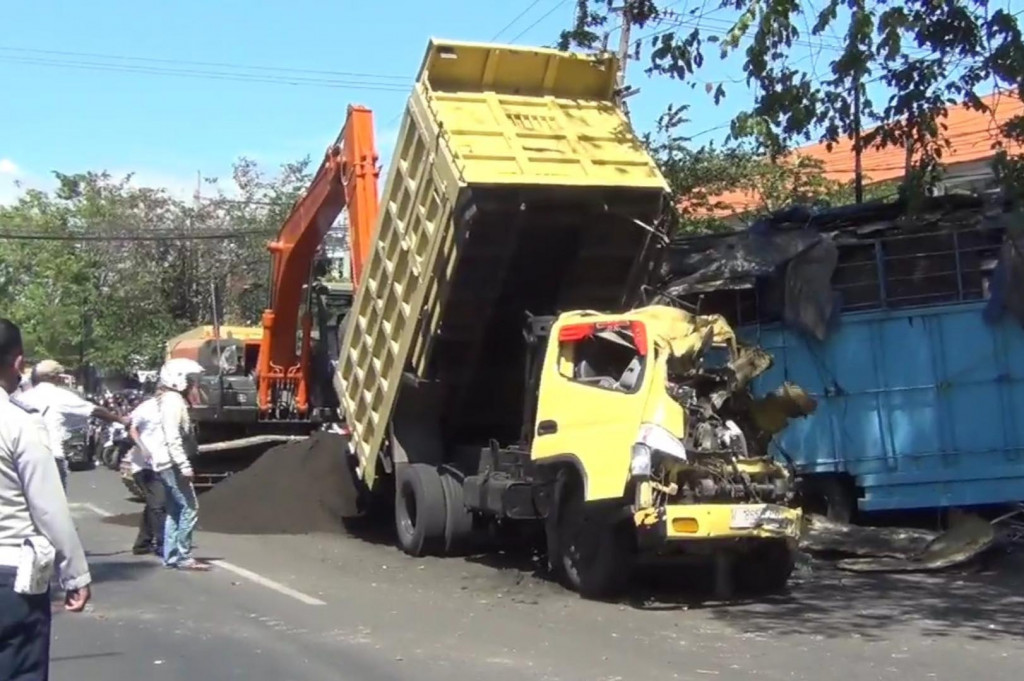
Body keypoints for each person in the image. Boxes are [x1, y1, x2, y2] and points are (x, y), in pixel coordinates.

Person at [0, 318, 92, 680]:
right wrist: (75, 574)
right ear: (18, 363)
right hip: (11, 577)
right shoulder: (18, 422)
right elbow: (48, 507)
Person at [130, 358, 209, 571]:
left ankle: (172, 555)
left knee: (175, 509)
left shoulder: (167, 400)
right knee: (189, 508)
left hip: (165, 462)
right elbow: (172, 436)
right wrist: (183, 464)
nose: (195, 384)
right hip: (172, 462)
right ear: (178, 379)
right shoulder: (173, 401)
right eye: (191, 379)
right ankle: (182, 555)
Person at [20, 359, 128, 492]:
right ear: (55, 377)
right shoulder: (59, 395)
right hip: (51, 457)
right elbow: (95, 411)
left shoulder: (22, 398)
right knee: (54, 505)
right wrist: (120, 419)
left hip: (23, 458)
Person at [124, 425, 165, 557]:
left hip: (161, 465)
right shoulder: (146, 408)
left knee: (153, 504)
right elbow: (131, 429)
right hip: (144, 467)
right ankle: (163, 544)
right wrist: (143, 447)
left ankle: (142, 544)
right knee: (158, 504)